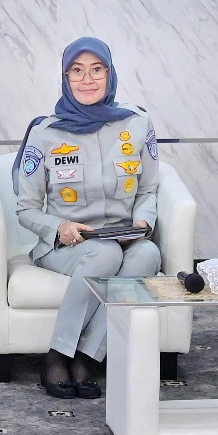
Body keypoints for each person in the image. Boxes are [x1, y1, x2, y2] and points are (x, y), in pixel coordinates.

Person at [14, 37, 162, 399]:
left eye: (97, 70)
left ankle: (87, 357)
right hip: (66, 245)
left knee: (148, 255)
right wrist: (60, 227)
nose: (87, 79)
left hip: (122, 237)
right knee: (105, 254)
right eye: (77, 71)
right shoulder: (46, 133)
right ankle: (57, 355)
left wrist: (142, 223)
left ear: (110, 75)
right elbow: (26, 208)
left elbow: (149, 190)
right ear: (65, 78)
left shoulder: (137, 124)